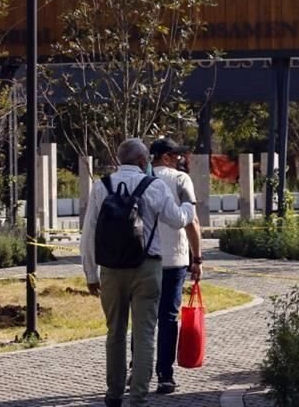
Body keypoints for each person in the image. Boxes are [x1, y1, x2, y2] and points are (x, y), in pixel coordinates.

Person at [81, 138, 197, 407]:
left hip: (111, 269)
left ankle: (114, 394)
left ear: (120, 159)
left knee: (115, 332)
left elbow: (89, 233)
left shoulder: (102, 186)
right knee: (144, 333)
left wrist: (91, 274)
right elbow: (177, 219)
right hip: (147, 267)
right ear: (143, 160)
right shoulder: (154, 186)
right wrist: (189, 204)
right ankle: (138, 398)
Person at [149, 137, 202, 394]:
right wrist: (197, 258)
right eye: (177, 155)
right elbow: (191, 221)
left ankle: (138, 368)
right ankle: (165, 375)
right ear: (166, 157)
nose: (180, 160)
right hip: (174, 259)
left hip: (144, 259)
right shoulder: (181, 180)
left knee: (143, 317)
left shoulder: (142, 178)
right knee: (168, 318)